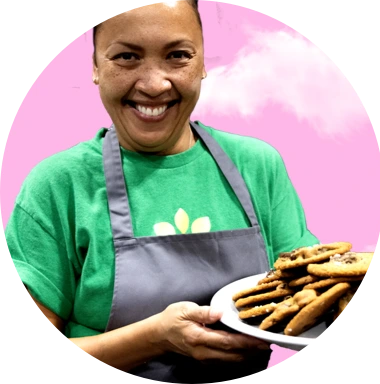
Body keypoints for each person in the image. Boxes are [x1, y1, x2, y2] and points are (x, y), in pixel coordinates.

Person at [5, 0, 319, 381]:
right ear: (95, 67)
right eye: (126, 57)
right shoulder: (58, 185)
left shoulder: (258, 165)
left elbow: (307, 291)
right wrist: (156, 337)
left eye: (178, 56)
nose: (154, 84)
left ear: (202, 63)